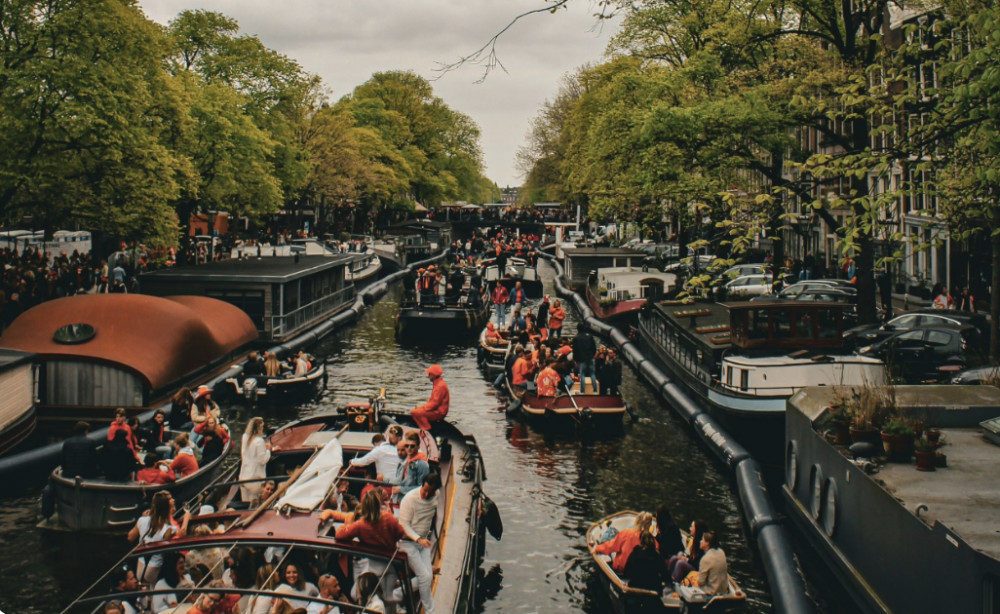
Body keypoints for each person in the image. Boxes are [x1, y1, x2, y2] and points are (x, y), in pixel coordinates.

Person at [398, 473, 441, 614]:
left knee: (427, 578)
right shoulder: (409, 499)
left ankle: (397, 593)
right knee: (424, 577)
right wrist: (417, 539)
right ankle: (430, 611)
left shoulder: (437, 496)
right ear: (422, 485)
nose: (426, 494)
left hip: (423, 543)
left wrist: (423, 539)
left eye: (430, 492)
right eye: (425, 490)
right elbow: (404, 524)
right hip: (408, 543)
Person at [128, 491, 190, 584]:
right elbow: (182, 533)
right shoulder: (168, 528)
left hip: (140, 565)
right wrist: (186, 518)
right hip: (154, 568)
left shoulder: (142, 520)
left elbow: (130, 537)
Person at [623, 531, 670, 600]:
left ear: (641, 541)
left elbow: (627, 572)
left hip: (636, 586)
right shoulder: (658, 556)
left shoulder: (635, 553)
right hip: (653, 588)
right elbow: (665, 576)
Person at [240, 417, 277, 504]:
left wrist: (264, 446)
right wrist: (269, 450)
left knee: (245, 503)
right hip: (255, 479)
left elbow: (249, 450)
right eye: (262, 427)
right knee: (255, 504)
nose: (263, 428)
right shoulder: (259, 441)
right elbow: (263, 460)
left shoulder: (245, 437)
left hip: (243, 477)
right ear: (259, 428)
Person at [411, 364, 449, 432]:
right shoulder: (438, 384)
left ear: (434, 375)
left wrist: (422, 408)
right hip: (437, 410)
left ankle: (426, 429)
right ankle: (424, 428)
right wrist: (422, 407)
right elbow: (432, 402)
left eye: (429, 374)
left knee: (415, 412)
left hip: (439, 412)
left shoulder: (439, 386)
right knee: (416, 411)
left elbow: (435, 403)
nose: (428, 376)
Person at [395, 433, 429, 502]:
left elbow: (422, 488)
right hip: (401, 500)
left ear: (418, 447)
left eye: (412, 446)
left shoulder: (422, 465)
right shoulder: (404, 461)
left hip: (413, 502)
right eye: (407, 446)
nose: (409, 448)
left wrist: (401, 489)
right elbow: (401, 480)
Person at [694, 531, 729, 596]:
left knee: (692, 579)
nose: (700, 541)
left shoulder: (705, 559)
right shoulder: (721, 552)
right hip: (723, 591)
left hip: (711, 592)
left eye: (702, 540)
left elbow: (700, 582)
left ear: (707, 543)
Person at [572, 328, 599, 393]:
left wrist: (575, 360)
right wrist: (592, 355)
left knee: (582, 374)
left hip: (582, 359)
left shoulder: (576, 338)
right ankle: (595, 390)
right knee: (592, 373)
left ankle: (582, 391)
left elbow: (575, 350)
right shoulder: (590, 337)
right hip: (590, 358)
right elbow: (594, 347)